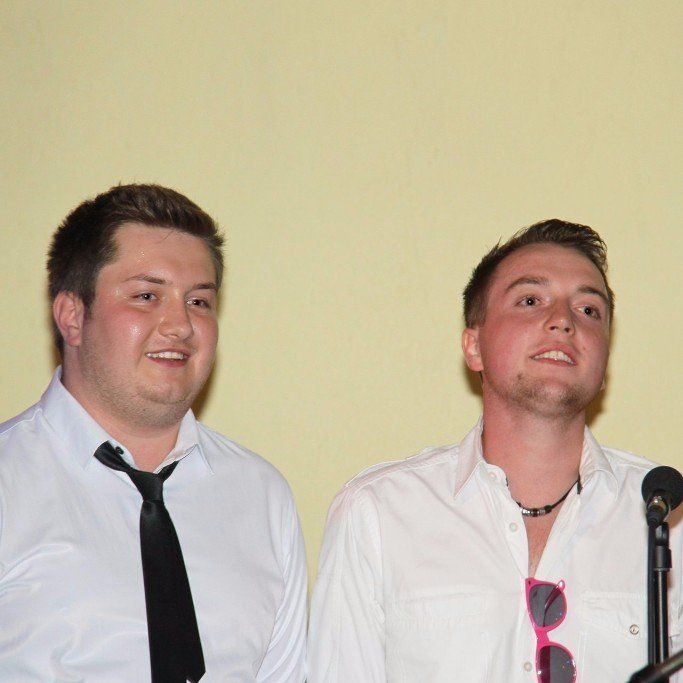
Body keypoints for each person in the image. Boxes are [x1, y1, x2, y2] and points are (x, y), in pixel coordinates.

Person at [308, 219, 682, 682]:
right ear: (474, 346)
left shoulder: (668, 516)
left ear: (604, 361)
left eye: (589, 310)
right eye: (530, 301)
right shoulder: (378, 513)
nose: (564, 320)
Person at [0, 184, 307, 682]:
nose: (181, 325)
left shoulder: (261, 495)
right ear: (72, 316)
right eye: (147, 296)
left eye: (199, 301)